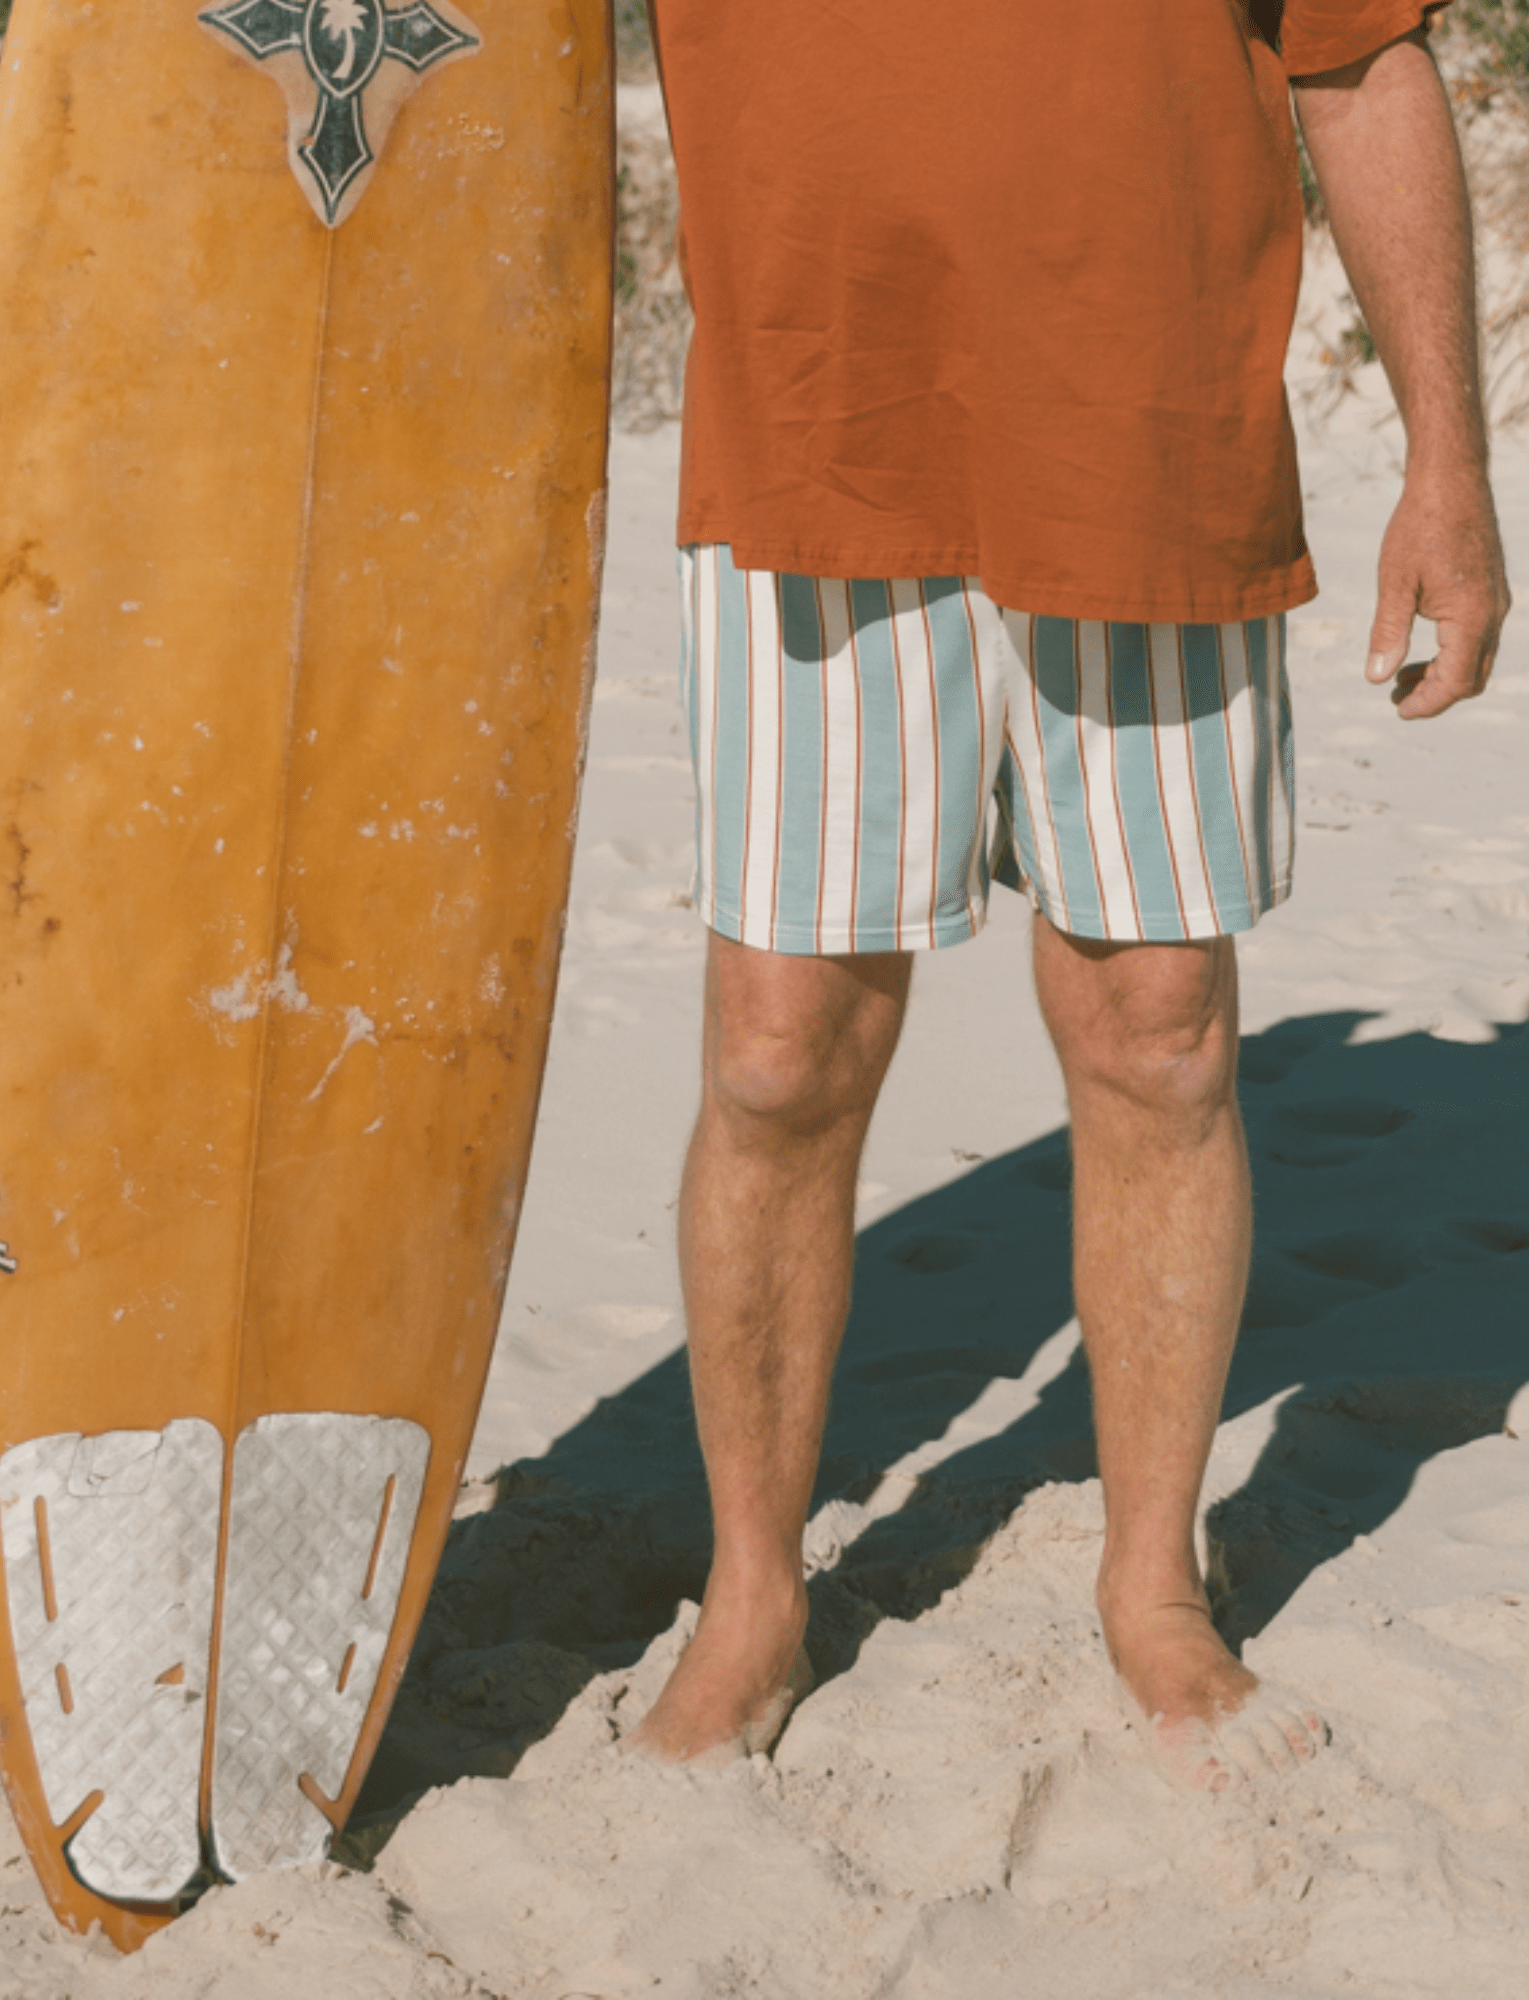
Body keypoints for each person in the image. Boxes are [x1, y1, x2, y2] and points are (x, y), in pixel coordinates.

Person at [626, 2, 1511, 1790]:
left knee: (1157, 1033)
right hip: (812, 421)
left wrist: (1452, 463)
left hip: (1146, 421)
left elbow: (1362, 63)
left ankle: (1152, 1581)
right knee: (780, 1053)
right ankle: (750, 1597)